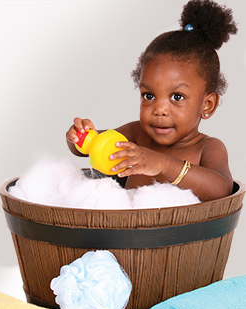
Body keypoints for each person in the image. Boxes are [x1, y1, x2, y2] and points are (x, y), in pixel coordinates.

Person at [66, 0, 238, 201]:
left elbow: (222, 189)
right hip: (123, 230)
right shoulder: (137, 135)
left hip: (181, 233)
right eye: (149, 96)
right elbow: (91, 149)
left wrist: (164, 164)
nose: (159, 109)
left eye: (177, 97)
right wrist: (81, 138)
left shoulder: (207, 148)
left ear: (207, 105)